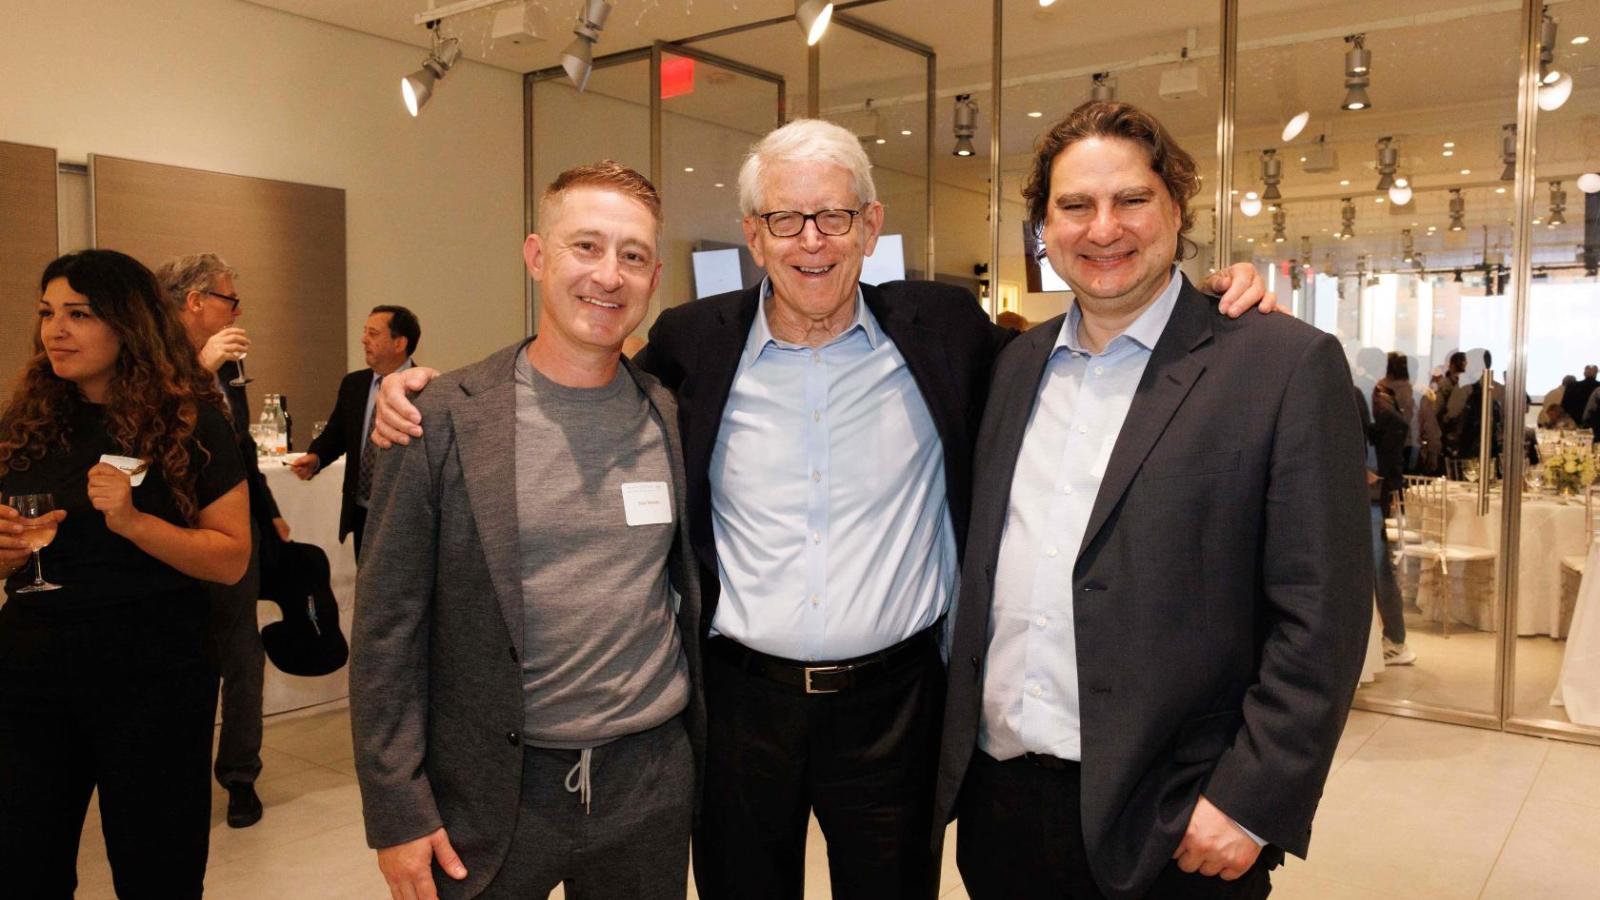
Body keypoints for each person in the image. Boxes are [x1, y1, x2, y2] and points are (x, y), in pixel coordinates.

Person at [374, 120, 1275, 900]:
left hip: (896, 712)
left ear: (870, 226)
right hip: (738, 709)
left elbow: (1094, 328)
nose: (812, 242)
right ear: (753, 236)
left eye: (835, 217)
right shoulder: (693, 344)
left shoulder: (945, 333)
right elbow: (578, 370)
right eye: (785, 220)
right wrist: (422, 393)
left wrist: (1207, 302)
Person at [934, 101, 1371, 900]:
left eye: (1131, 199)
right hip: (1001, 806)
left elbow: (1324, 611)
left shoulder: (1279, 364)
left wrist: (1250, 798)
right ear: (1044, 228)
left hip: (1174, 820)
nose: (1103, 229)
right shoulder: (1015, 366)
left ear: (1176, 207)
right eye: (1075, 206)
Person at [350, 162, 705, 900]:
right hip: (488, 790)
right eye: (586, 247)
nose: (608, 275)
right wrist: (396, 809)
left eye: (632, 255)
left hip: (647, 786)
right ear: (538, 256)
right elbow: (387, 628)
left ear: (654, 278)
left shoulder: (668, 414)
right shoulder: (439, 417)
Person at [0, 249, 251, 898]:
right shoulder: (28, 421)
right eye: (48, 313)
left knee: (156, 872)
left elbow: (231, 557)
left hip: (152, 672)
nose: (56, 330)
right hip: (32, 667)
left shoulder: (191, 420)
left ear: (129, 323)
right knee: (23, 864)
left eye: (79, 314)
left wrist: (137, 523)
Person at [160, 252, 287, 828]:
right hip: (168, 531)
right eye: (229, 300)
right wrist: (200, 368)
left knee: (241, 655)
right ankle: (174, 773)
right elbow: (149, 432)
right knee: (180, 653)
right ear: (195, 301)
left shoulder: (228, 364)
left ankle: (240, 775)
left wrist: (270, 511)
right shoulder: (148, 357)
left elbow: (241, 450)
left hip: (235, 528)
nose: (237, 311)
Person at [288, 305, 420, 561]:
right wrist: (316, 458)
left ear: (399, 343)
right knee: (365, 575)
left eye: (373, 333)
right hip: (361, 508)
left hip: (402, 512)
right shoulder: (354, 384)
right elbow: (337, 433)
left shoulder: (424, 389)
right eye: (364, 332)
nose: (364, 339)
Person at [1369, 375, 1415, 665]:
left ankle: (1396, 638)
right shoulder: (1382, 407)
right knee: (1379, 569)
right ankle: (1392, 638)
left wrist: (1380, 475)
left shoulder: (1381, 409)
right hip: (1377, 494)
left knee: (1380, 569)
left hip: (1374, 497)